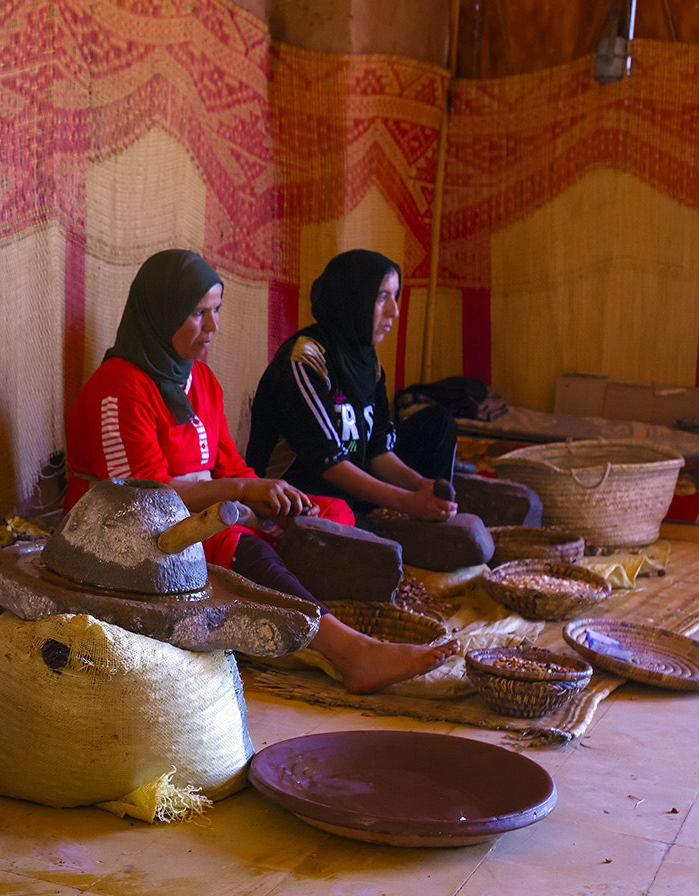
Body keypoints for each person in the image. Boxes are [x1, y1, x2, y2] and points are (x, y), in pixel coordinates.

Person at [63, 248, 455, 694]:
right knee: (230, 538)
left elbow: (230, 464)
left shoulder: (202, 382)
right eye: (197, 313)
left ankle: (304, 621)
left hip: (201, 515)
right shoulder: (120, 386)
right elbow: (142, 499)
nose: (212, 326)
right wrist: (242, 493)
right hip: (124, 531)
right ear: (161, 311)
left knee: (329, 514)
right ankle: (351, 651)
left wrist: (268, 499)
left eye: (215, 311)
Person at [247, 248, 459, 523]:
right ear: (353, 300)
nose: (394, 311)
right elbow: (327, 463)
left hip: (346, 485)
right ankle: (385, 519)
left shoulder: (367, 362)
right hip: (298, 495)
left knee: (438, 423)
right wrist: (406, 501)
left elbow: (375, 450)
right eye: (382, 297)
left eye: (394, 297)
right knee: (376, 545)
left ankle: (412, 513)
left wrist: (418, 485)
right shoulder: (304, 360)